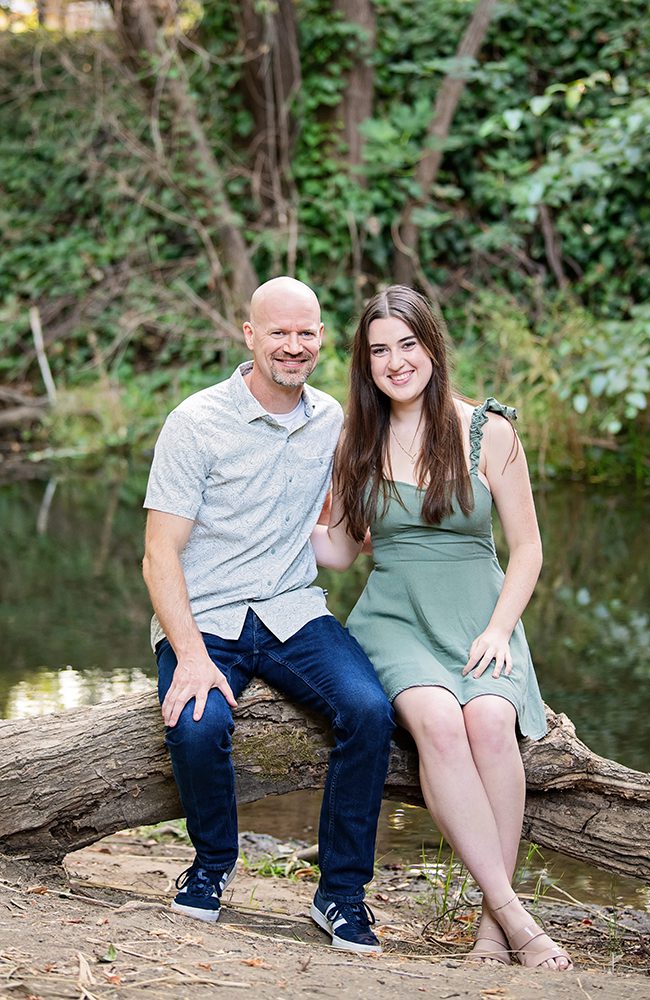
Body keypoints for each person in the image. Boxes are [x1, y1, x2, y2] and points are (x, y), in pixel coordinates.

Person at [311, 285, 572, 971]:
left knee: (489, 722)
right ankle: (514, 914)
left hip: (481, 616)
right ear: (364, 364)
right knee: (440, 724)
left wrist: (499, 629)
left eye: (407, 344)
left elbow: (528, 550)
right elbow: (339, 550)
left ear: (431, 346)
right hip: (395, 618)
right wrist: (258, 522)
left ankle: (490, 927)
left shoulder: (488, 431)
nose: (395, 362)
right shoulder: (356, 441)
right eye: (378, 350)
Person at [142, 276, 394, 954]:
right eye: (278, 332)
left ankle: (340, 894)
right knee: (196, 724)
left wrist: (387, 530)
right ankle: (211, 866)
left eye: (305, 332)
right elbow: (159, 555)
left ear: (322, 338)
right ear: (249, 335)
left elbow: (342, 522)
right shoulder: (196, 422)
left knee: (370, 712)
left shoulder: (332, 419)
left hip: (291, 609)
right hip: (206, 613)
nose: (293, 345)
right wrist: (190, 656)